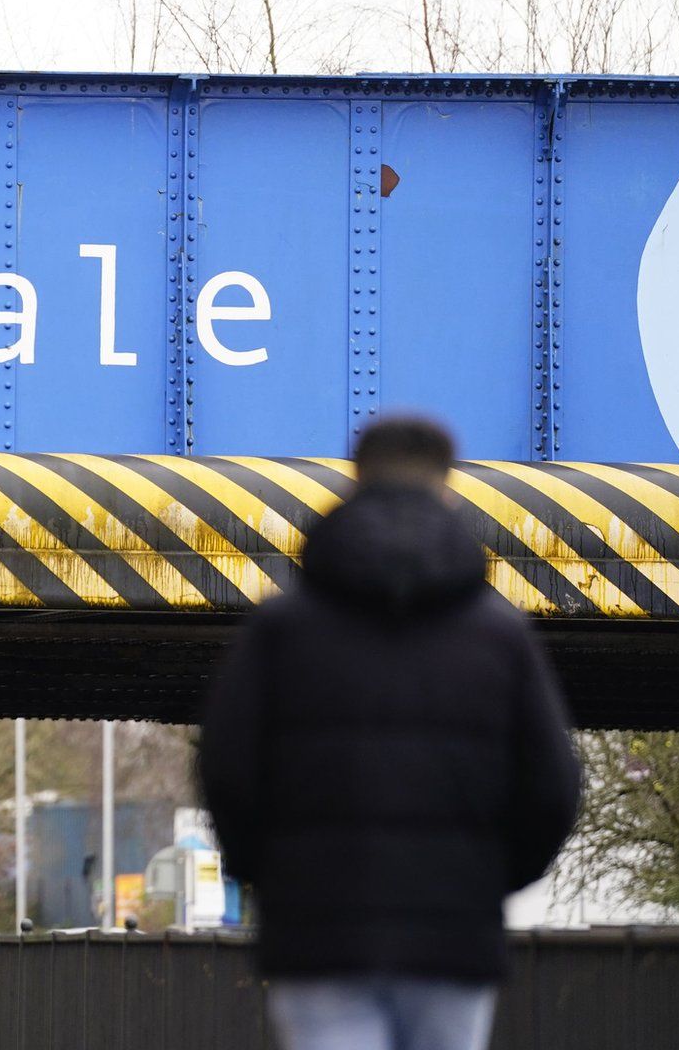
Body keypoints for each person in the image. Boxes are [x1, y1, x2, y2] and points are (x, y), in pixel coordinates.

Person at [199, 415, 581, 1050]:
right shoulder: (502, 636)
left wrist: (270, 874)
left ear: (356, 480)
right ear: (447, 487)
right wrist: (486, 879)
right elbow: (553, 787)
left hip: (318, 930)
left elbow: (227, 770)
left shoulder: (279, 633)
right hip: (454, 932)